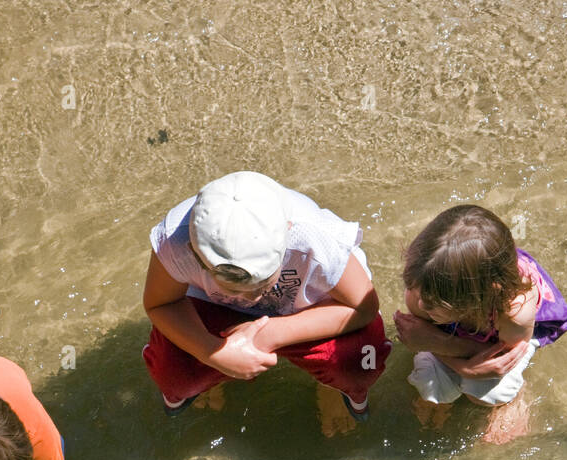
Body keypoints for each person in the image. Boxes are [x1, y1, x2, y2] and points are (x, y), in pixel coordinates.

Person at [142, 171, 391, 436]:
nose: (251, 299)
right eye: (233, 287)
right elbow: (160, 304)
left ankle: (343, 387)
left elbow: (364, 307)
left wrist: (269, 334)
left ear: (288, 231)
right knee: (175, 373)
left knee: (364, 360)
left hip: (304, 308)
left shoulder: (315, 238)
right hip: (216, 310)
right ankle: (193, 386)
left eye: (261, 284)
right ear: (194, 251)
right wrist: (212, 352)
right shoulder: (176, 239)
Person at [394, 205, 567, 443]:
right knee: (431, 385)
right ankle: (443, 394)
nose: (420, 303)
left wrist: (457, 363)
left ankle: (514, 399)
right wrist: (440, 347)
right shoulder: (425, 284)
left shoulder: (514, 310)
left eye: (433, 303)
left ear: (478, 299)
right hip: (461, 315)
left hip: (504, 339)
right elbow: (421, 333)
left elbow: (507, 355)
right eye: (415, 290)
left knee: (487, 392)